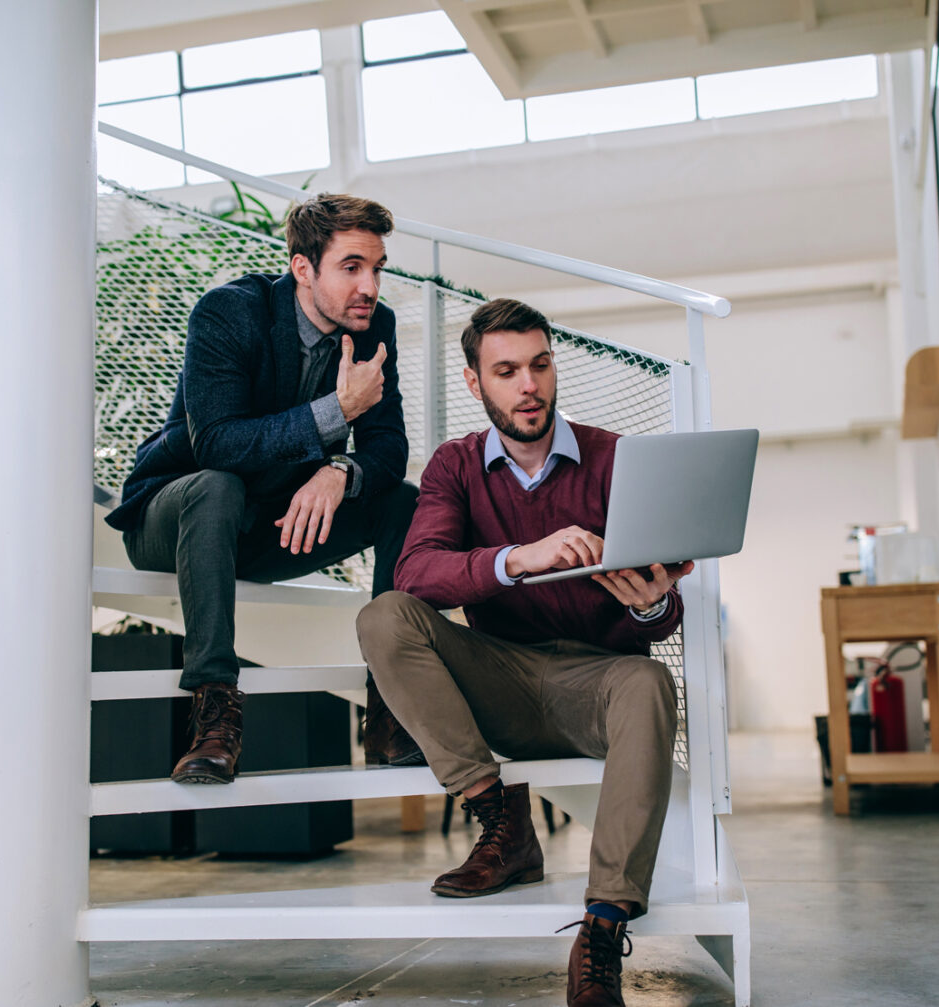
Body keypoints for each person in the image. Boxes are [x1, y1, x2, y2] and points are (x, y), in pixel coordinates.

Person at [356, 298, 692, 1007]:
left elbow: (663, 615)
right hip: (500, 675)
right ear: (477, 383)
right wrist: (520, 557)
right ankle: (502, 822)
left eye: (539, 364)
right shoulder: (454, 465)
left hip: (598, 680)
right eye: (506, 370)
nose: (529, 384)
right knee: (385, 616)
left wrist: (651, 601)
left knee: (649, 684)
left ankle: (602, 928)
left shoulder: (615, 458)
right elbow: (418, 572)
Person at [105, 193, 422, 785]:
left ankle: (389, 709)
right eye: (351, 267)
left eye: (376, 268)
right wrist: (336, 412)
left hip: (272, 526)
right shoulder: (231, 312)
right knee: (218, 485)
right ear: (303, 268)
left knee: (402, 499)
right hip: (175, 515)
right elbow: (216, 445)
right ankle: (214, 713)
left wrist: (339, 471)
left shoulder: (376, 327)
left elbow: (388, 446)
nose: (370, 286)